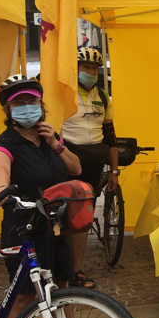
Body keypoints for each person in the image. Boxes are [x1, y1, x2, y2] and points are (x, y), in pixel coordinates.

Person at [0, 75, 83, 318]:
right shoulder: (4, 144)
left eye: (32, 101)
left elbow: (76, 169)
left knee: (62, 286)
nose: (28, 107)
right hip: (23, 228)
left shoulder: (49, 137)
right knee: (26, 296)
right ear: (8, 109)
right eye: (20, 103)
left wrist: (56, 144)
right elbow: (1, 172)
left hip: (55, 225)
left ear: (41, 104)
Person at [60, 48, 116, 289]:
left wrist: (114, 171)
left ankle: (75, 270)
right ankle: (60, 268)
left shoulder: (103, 96)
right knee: (63, 216)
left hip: (94, 160)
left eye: (94, 68)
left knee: (83, 217)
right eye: (86, 67)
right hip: (68, 158)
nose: (91, 72)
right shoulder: (63, 94)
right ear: (76, 69)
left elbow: (110, 135)